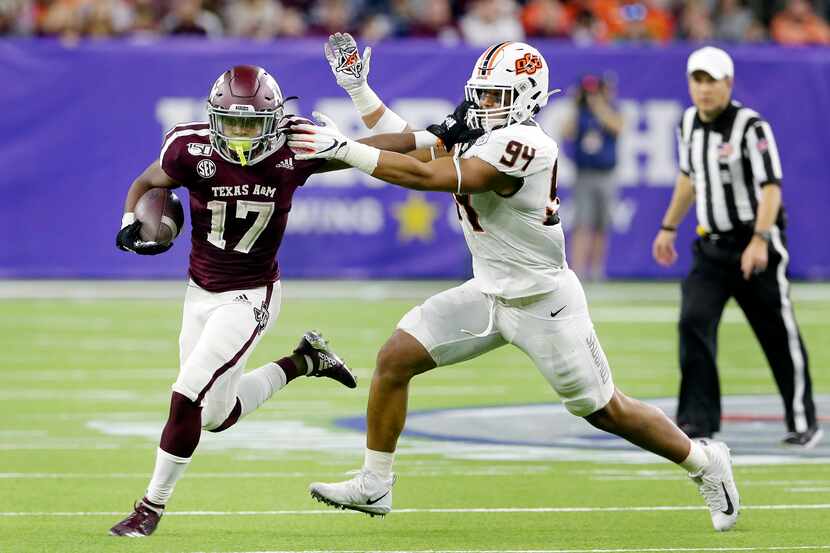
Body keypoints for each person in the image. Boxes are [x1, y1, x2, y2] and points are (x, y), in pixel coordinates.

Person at [288, 38, 741, 532]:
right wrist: (357, 94)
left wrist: (346, 150)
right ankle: (376, 483)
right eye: (481, 94)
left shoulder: (525, 145)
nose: (483, 105)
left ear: (527, 96)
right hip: (487, 292)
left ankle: (703, 461)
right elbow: (409, 141)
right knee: (395, 359)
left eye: (496, 95)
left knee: (605, 410)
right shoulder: (482, 124)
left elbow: (425, 176)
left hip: (542, 302)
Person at [108, 64, 361, 537]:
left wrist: (432, 139)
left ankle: (149, 508)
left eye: (252, 123)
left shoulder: (297, 147)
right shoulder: (189, 147)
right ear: (213, 117)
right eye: (233, 122)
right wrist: (131, 221)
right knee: (217, 417)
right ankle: (306, 362)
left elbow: (378, 154)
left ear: (274, 121)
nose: (241, 134)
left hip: (251, 295)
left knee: (187, 393)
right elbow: (146, 185)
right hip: (199, 291)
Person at [652, 46, 821, 448]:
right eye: (698, 80)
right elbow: (688, 178)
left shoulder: (751, 126)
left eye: (712, 81)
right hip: (709, 246)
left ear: (728, 83)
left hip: (753, 245)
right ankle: (697, 421)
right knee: (693, 322)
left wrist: (760, 239)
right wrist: (668, 226)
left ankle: (803, 421)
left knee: (778, 333)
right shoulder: (688, 123)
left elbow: (770, 188)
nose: (705, 89)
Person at [562, 73, 623, 280]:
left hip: (606, 174)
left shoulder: (611, 109)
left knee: (601, 224)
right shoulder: (580, 112)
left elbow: (618, 127)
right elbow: (567, 133)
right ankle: (577, 271)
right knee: (582, 222)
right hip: (584, 174)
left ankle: (597, 271)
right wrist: (575, 105)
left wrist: (598, 105)